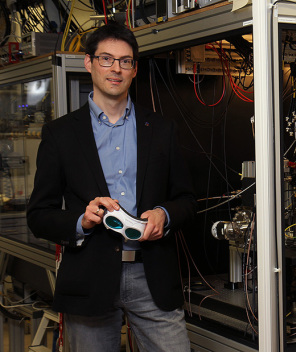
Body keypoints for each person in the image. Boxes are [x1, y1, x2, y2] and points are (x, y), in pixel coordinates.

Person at [27, 22, 196, 352]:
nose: (116, 69)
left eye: (125, 61)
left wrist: (164, 214)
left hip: (152, 276)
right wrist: (82, 220)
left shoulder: (161, 129)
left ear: (134, 69)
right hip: (90, 278)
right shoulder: (60, 135)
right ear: (89, 63)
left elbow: (187, 200)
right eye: (106, 59)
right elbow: (39, 215)